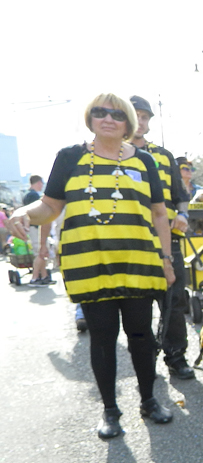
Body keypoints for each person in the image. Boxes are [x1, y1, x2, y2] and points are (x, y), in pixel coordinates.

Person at [6, 92, 175, 439]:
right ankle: (110, 411)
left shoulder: (144, 162)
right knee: (102, 337)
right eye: (100, 112)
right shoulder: (70, 157)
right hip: (89, 262)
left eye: (116, 114)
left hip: (139, 261)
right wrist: (23, 212)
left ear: (128, 122)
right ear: (90, 118)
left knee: (141, 335)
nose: (108, 118)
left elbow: (159, 214)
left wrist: (167, 259)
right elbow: (50, 206)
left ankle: (148, 400)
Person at [130, 95, 194, 380]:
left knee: (174, 301)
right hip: (132, 244)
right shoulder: (111, 155)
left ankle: (176, 356)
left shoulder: (164, 156)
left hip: (169, 241)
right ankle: (145, 363)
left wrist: (183, 214)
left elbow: (180, 197)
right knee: (138, 306)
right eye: (136, 115)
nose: (140, 121)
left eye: (145, 117)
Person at [22, 175, 51, 284]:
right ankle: (34, 278)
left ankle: (44, 276)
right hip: (36, 226)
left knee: (39, 253)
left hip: (31, 226)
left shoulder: (26, 194)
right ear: (38, 182)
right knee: (41, 252)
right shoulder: (34, 195)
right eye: (42, 183)